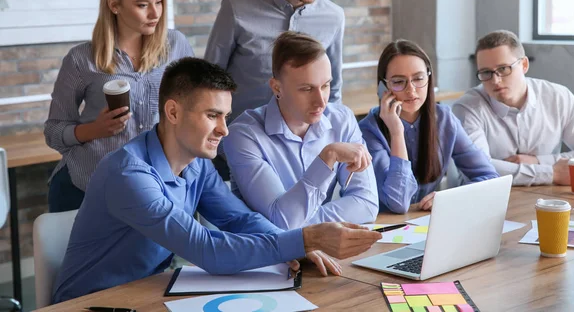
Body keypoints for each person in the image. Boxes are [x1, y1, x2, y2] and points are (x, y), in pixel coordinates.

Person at [51, 58, 381, 304]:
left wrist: (295, 243)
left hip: (150, 294)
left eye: (226, 116)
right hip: (92, 304)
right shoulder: (129, 175)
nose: (224, 129)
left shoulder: (197, 166)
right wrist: (302, 240)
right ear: (173, 112)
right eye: (212, 115)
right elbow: (206, 249)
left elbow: (239, 219)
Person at [44, 0, 194, 212]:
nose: (155, 13)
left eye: (158, 2)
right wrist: (93, 129)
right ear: (114, 5)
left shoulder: (176, 46)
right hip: (87, 187)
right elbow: (53, 131)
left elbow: (194, 108)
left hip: (156, 186)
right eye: (142, 5)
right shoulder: (81, 59)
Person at [204, 0, 344, 179]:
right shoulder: (236, 9)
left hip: (304, 160)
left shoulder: (334, 17)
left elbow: (333, 91)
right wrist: (218, 146)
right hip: (237, 156)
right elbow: (208, 85)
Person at [224, 32, 378, 229]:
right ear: (277, 88)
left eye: (326, 85)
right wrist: (327, 157)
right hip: (269, 258)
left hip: (324, 250)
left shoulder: (341, 119)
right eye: (307, 89)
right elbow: (281, 220)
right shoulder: (243, 136)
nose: (321, 101)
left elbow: (367, 204)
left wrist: (307, 226)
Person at [358, 40, 498, 214]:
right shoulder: (368, 131)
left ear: (429, 78)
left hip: (424, 225)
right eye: (399, 81)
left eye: (418, 78)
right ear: (383, 87)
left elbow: (489, 177)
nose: (411, 90)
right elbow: (398, 203)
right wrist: (396, 132)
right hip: (380, 228)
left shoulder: (444, 119)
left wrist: (450, 198)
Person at [452, 30, 574, 186]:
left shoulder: (558, 97)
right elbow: (478, 169)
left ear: (524, 65)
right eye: (486, 72)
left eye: (503, 69)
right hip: (485, 199)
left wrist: (538, 161)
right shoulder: (467, 108)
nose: (495, 80)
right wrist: (550, 173)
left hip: (545, 196)